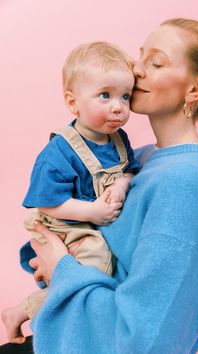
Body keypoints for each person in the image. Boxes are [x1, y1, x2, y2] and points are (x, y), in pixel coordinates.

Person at [1, 14, 198, 354]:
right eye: (140, 56)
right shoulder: (140, 157)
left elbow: (147, 339)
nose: (137, 70)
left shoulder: (185, 181)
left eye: (156, 62)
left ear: (196, 89)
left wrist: (62, 267)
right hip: (67, 336)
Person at [1, 42, 140, 344]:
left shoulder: (118, 139)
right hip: (64, 223)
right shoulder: (59, 151)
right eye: (105, 95)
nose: (118, 106)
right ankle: (28, 315)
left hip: (93, 222)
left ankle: (20, 313)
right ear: (72, 102)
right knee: (96, 268)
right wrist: (92, 212)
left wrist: (121, 183)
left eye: (125, 96)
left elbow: (129, 169)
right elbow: (49, 203)